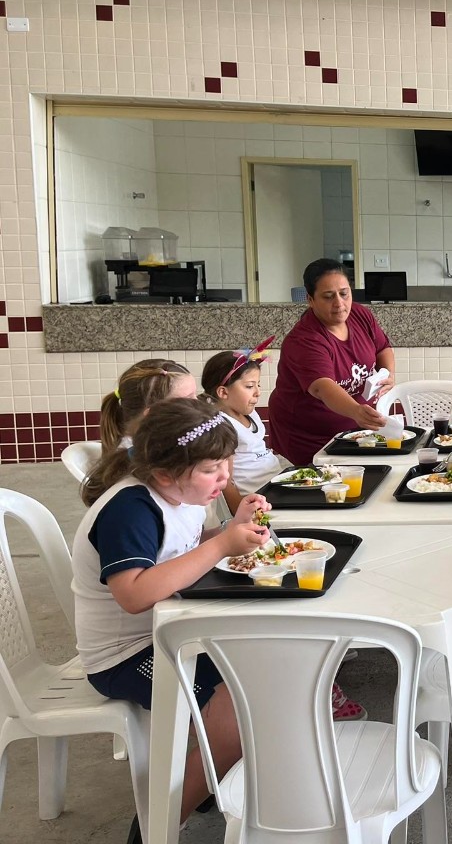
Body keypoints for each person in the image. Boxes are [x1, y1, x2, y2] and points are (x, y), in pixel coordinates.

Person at [70, 398, 271, 841]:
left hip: (171, 632)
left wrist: (229, 528)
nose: (225, 476)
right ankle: (157, 824)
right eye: (211, 468)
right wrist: (221, 547)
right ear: (164, 474)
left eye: (227, 462)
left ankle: (208, 778)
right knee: (238, 714)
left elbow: (181, 547)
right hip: (125, 656)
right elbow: (134, 594)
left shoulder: (181, 493)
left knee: (264, 671)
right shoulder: (129, 509)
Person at [269, 258, 395, 466]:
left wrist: (388, 373)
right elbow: (322, 387)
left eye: (344, 294)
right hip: (307, 437)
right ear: (310, 299)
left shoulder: (359, 314)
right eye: (328, 297)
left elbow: (382, 347)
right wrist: (356, 411)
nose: (339, 304)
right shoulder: (304, 339)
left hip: (353, 434)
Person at [82, 359, 198, 506]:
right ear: (154, 414)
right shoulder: (143, 466)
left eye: (196, 395)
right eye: (188, 399)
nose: (198, 404)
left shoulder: (158, 446)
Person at [200, 342, 284, 515]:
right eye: (249, 386)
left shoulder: (248, 413)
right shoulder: (221, 425)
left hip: (276, 485)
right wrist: (244, 514)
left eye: (258, 385)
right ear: (223, 392)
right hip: (259, 499)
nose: (257, 392)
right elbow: (227, 481)